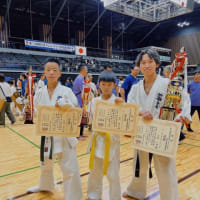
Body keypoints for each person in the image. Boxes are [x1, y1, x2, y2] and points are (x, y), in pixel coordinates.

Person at [123, 49, 191, 200]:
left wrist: (182, 116)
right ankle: (136, 191)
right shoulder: (135, 87)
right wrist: (140, 112)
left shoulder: (168, 84)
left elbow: (184, 99)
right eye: (143, 63)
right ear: (139, 66)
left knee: (165, 166)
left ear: (157, 63)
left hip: (162, 131)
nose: (146, 65)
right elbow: (130, 106)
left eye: (150, 62)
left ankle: (170, 197)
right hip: (143, 130)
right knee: (138, 163)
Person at [27, 58, 82, 200]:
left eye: (55, 70)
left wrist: (66, 105)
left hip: (64, 136)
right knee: (45, 164)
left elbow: (76, 109)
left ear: (59, 73)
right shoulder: (39, 92)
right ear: (44, 73)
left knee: (69, 168)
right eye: (48, 70)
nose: (51, 72)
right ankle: (45, 185)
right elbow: (37, 111)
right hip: (47, 135)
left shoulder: (66, 91)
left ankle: (73, 196)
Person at [87, 71, 123, 200]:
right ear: (99, 85)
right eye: (103, 84)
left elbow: (124, 122)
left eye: (109, 84)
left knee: (113, 173)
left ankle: (115, 197)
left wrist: (122, 106)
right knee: (95, 171)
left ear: (114, 85)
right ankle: (93, 194)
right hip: (97, 140)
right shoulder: (94, 101)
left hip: (112, 142)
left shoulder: (118, 102)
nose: (106, 87)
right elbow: (90, 120)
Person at [73, 65, 88, 138]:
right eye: (86, 71)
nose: (87, 72)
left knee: (82, 117)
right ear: (83, 71)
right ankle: (76, 135)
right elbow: (83, 91)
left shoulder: (81, 78)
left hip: (80, 98)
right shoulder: (80, 79)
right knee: (78, 117)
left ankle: (81, 133)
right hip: (79, 99)